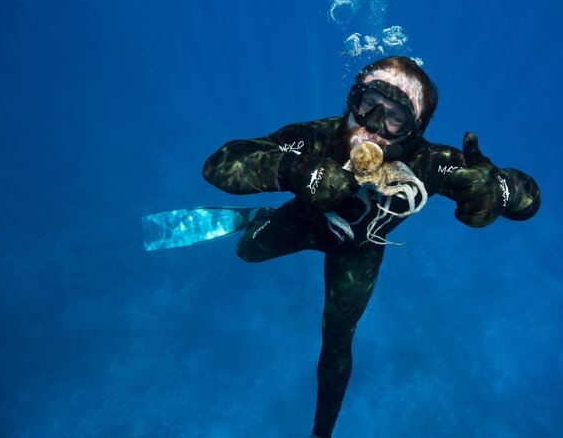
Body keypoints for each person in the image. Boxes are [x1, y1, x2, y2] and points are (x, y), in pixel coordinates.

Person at [202, 56, 540, 437]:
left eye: (396, 116)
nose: (373, 126)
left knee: (337, 339)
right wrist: (292, 170)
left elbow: (528, 199)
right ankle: (257, 218)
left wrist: (497, 190)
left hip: (359, 251)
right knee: (246, 252)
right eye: (369, 102)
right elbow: (220, 162)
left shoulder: (428, 162)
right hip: (303, 221)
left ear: (416, 129)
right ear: (353, 98)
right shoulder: (316, 137)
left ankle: (320, 434)